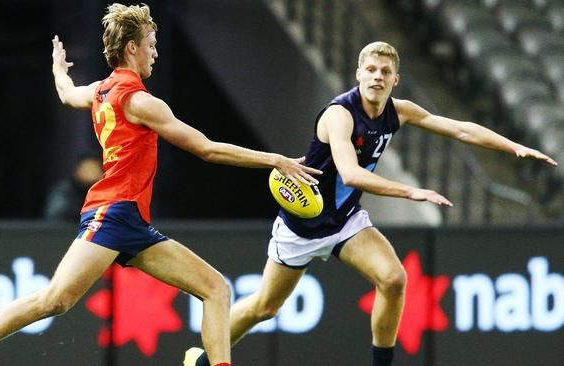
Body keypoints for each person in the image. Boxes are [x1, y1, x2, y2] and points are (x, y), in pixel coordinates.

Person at [0, 3, 321, 366]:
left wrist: (58, 70)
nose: (155, 53)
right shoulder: (139, 101)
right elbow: (206, 149)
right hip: (112, 213)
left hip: (130, 221)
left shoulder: (99, 90)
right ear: (132, 48)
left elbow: (67, 95)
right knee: (55, 300)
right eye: (151, 45)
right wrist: (275, 159)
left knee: (216, 289)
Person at [184, 41, 558, 366]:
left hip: (345, 221)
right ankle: (201, 358)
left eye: (386, 71)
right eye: (371, 69)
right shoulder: (339, 115)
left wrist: (512, 146)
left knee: (394, 279)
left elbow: (459, 127)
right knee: (265, 307)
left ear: (395, 80)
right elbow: (350, 174)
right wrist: (412, 192)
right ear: (358, 74)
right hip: (303, 223)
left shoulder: (400, 110)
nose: (377, 76)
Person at [43, 152, 103, 221]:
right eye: (88, 168)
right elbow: (57, 216)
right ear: (78, 170)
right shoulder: (65, 188)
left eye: (96, 168)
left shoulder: (106, 189)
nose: (92, 173)